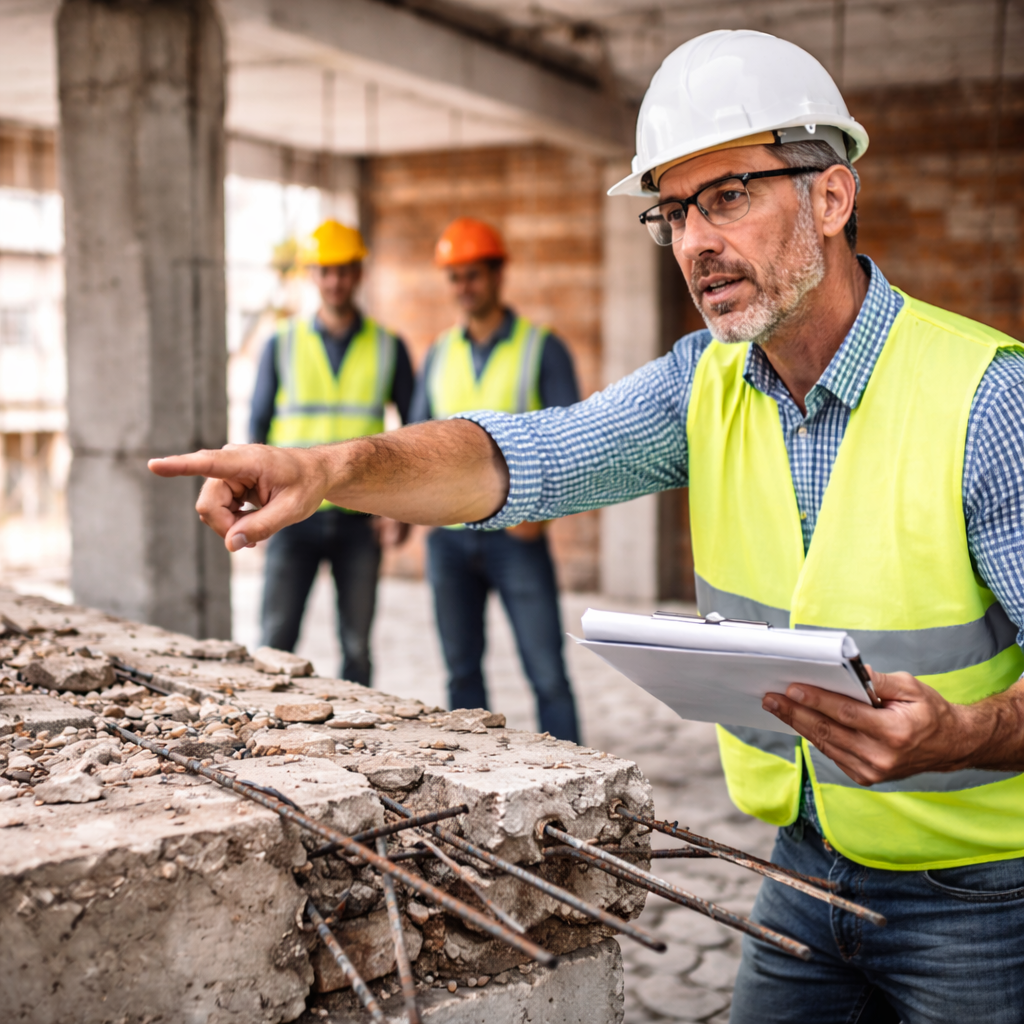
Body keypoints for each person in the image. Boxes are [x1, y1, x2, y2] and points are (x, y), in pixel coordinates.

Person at [152, 30, 1024, 1023]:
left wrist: (956, 734)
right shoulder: (704, 384)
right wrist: (327, 469)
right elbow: (521, 456)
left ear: (830, 197)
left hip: (980, 892)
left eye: (728, 195)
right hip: (805, 860)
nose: (695, 241)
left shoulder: (986, 401)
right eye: (674, 211)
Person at [408, 217, 581, 742]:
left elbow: (574, 443)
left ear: (498, 274)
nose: (464, 287)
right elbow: (417, 439)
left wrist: (539, 516)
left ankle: (572, 771)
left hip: (517, 538)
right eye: (455, 277)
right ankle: (475, 772)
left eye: (474, 275)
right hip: (451, 541)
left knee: (546, 674)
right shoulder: (439, 353)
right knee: (461, 673)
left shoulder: (541, 347)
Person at [248, 219, 413, 685]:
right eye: (326, 270)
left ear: (358, 273)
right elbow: (256, 431)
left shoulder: (388, 347)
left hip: (360, 516)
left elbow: (415, 432)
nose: (335, 280)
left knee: (357, 647)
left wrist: (400, 507)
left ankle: (362, 744)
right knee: (275, 637)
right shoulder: (280, 346)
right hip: (291, 515)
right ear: (311, 275)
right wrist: (256, 509)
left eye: (344, 270)